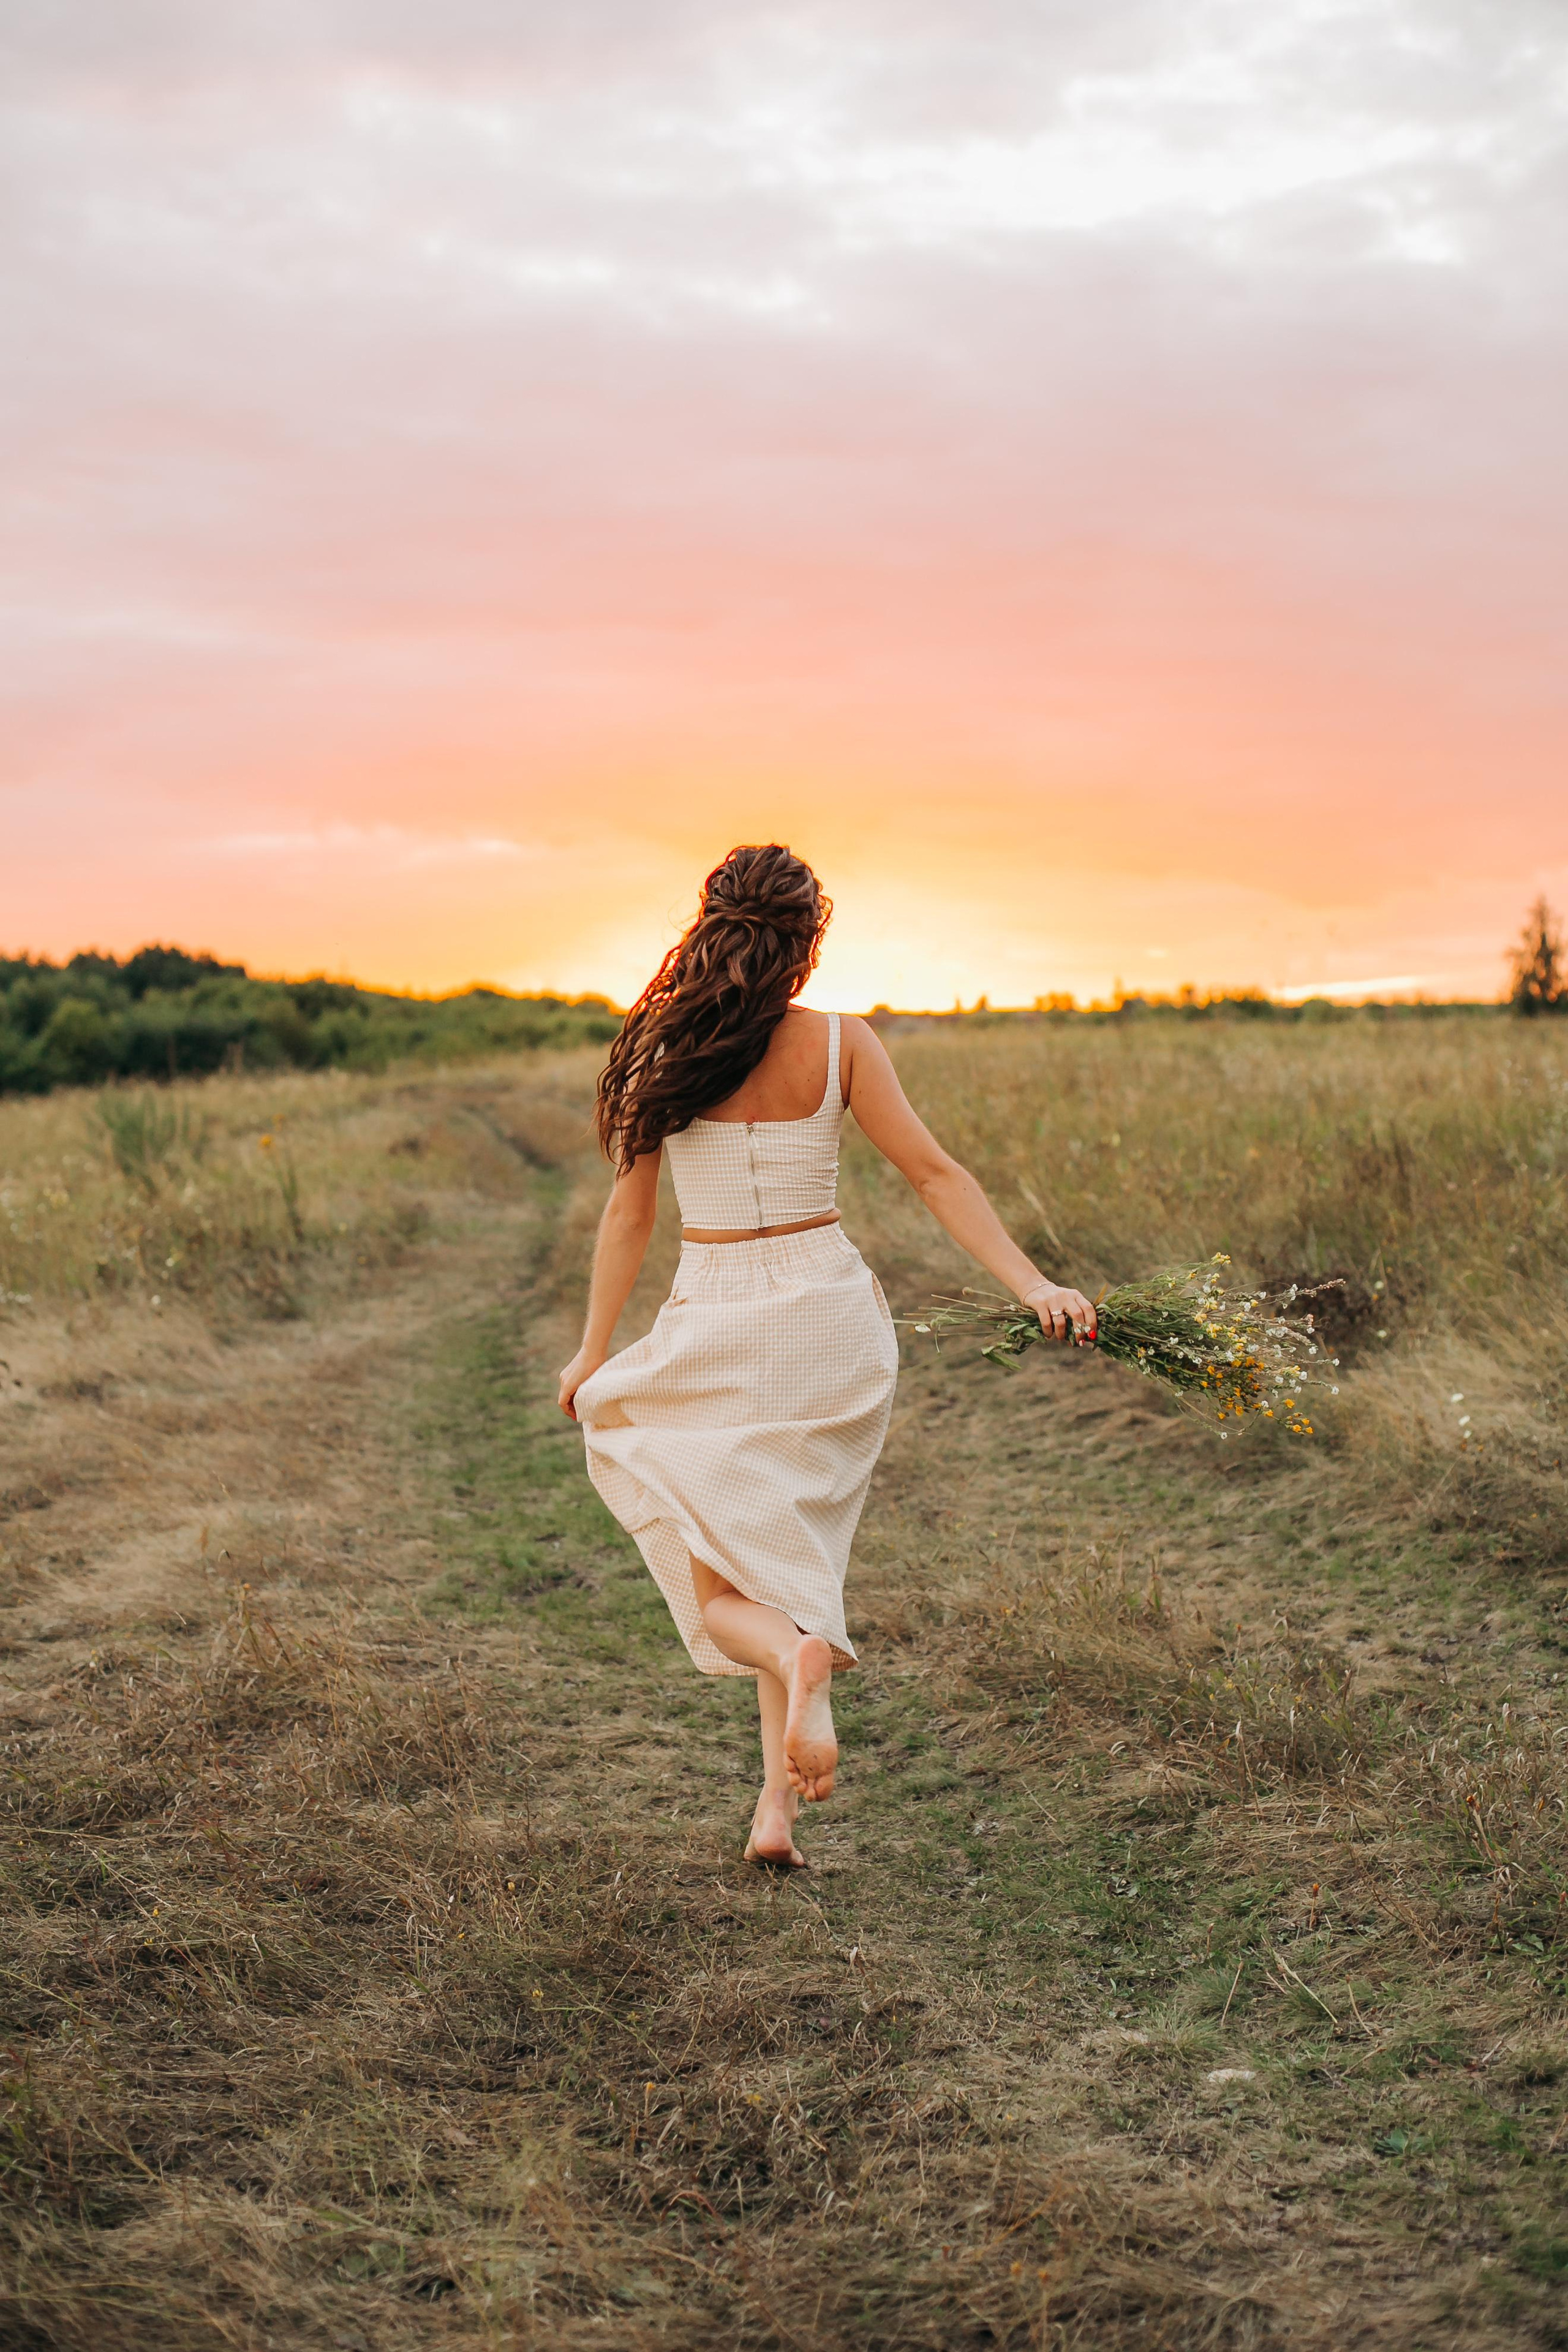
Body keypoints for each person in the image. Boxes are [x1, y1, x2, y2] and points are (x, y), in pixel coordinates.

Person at [559, 844, 1096, 1868]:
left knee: (729, 1603)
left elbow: (626, 1223)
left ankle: (804, 1668)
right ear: (809, 940)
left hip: (717, 1318)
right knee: (781, 1570)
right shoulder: (845, 1043)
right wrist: (1033, 1285)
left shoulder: (660, 1054)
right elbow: (937, 1175)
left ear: (710, 923)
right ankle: (776, 1816)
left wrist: (592, 1354)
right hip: (831, 1324)